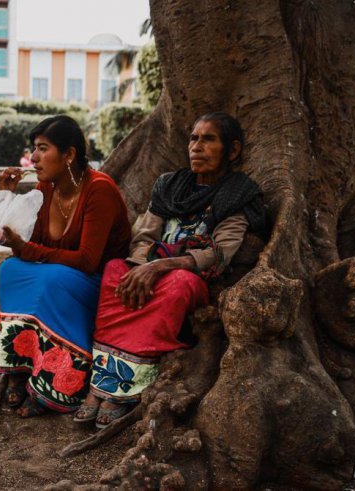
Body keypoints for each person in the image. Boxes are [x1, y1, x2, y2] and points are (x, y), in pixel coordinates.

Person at [75, 112, 266, 428]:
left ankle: (124, 391)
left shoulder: (238, 194)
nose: (197, 147)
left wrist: (160, 267)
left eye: (209, 139)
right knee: (113, 271)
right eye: (194, 138)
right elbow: (145, 235)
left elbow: (218, 254)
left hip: (188, 277)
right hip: (149, 266)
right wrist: (141, 268)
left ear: (232, 151)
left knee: (177, 283)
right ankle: (101, 383)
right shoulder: (169, 185)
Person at [0, 115, 132, 417]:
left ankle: (58, 385)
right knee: (10, 270)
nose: (35, 157)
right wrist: (7, 196)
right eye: (34, 149)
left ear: (69, 155)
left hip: (96, 282)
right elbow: (29, 243)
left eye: (43, 148)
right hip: (59, 275)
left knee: (51, 278)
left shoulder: (99, 190)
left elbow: (88, 259)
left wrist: (28, 250)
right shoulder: (45, 188)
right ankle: (21, 366)